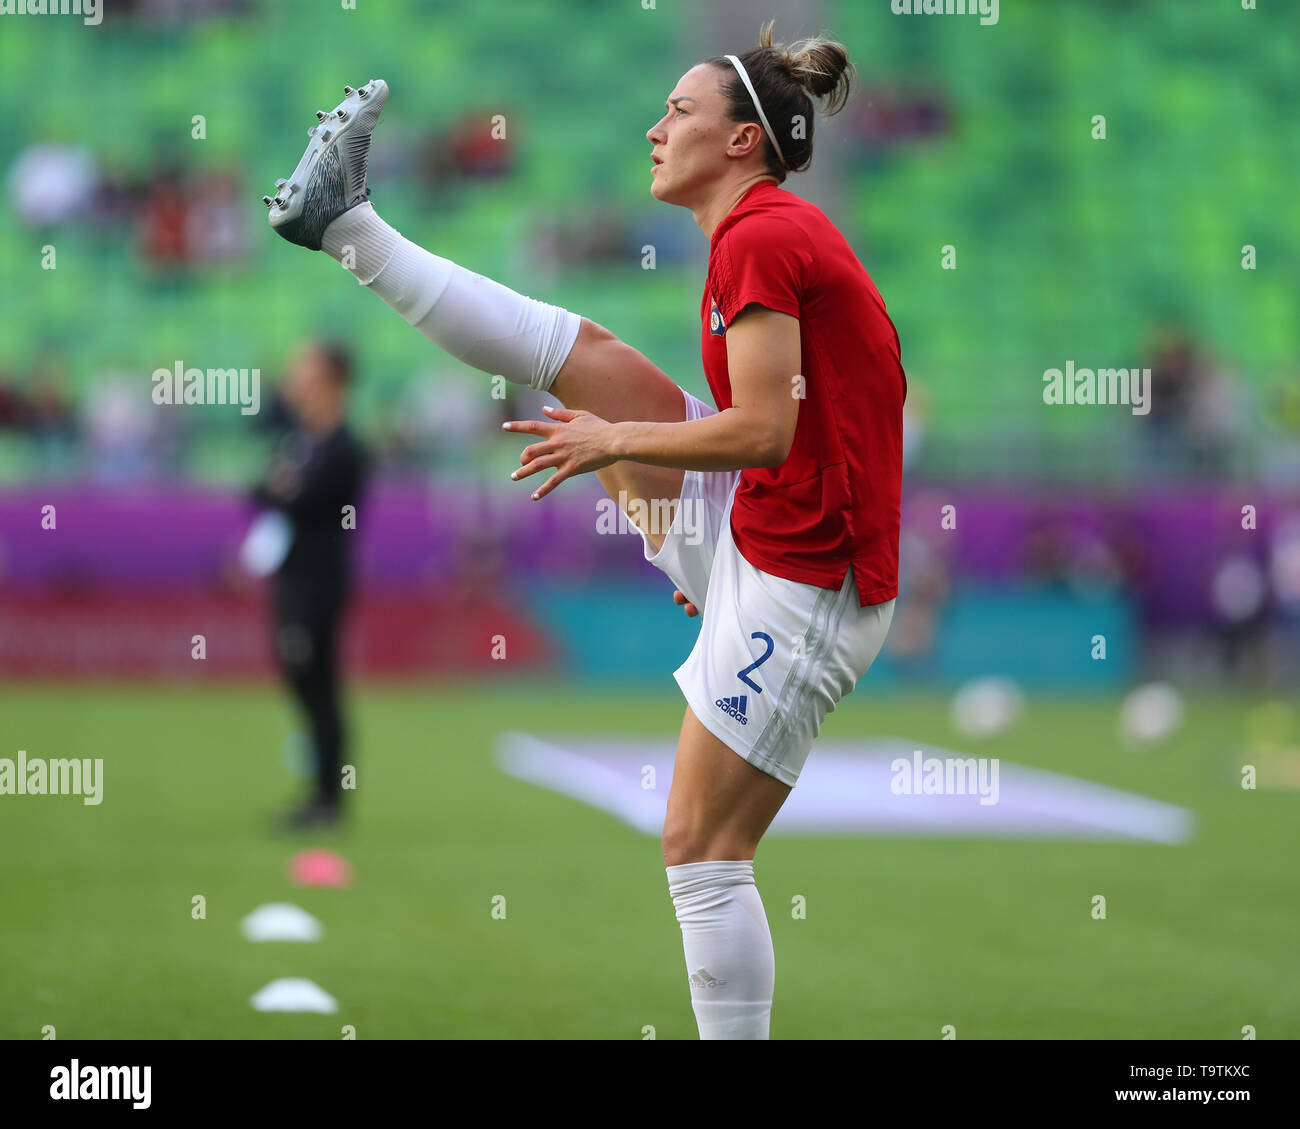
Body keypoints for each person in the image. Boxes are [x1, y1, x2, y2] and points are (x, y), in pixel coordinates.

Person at [261, 23, 904, 1038]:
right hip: (768, 537)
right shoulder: (755, 233)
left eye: (680, 112)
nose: (654, 130)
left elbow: (766, 429)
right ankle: (347, 226)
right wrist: (661, 496)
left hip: (805, 578)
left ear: (742, 142)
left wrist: (624, 447)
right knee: (585, 353)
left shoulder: (763, 237)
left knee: (699, 845)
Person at [251, 341, 369, 831]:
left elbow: (305, 501)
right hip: (293, 577)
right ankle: (320, 794)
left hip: (320, 583)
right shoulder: (300, 441)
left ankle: (328, 800)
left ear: (331, 379)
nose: (294, 376)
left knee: (319, 687)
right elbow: (259, 491)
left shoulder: (345, 447)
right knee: (303, 683)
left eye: (305, 367)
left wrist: (284, 491)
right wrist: (283, 490)